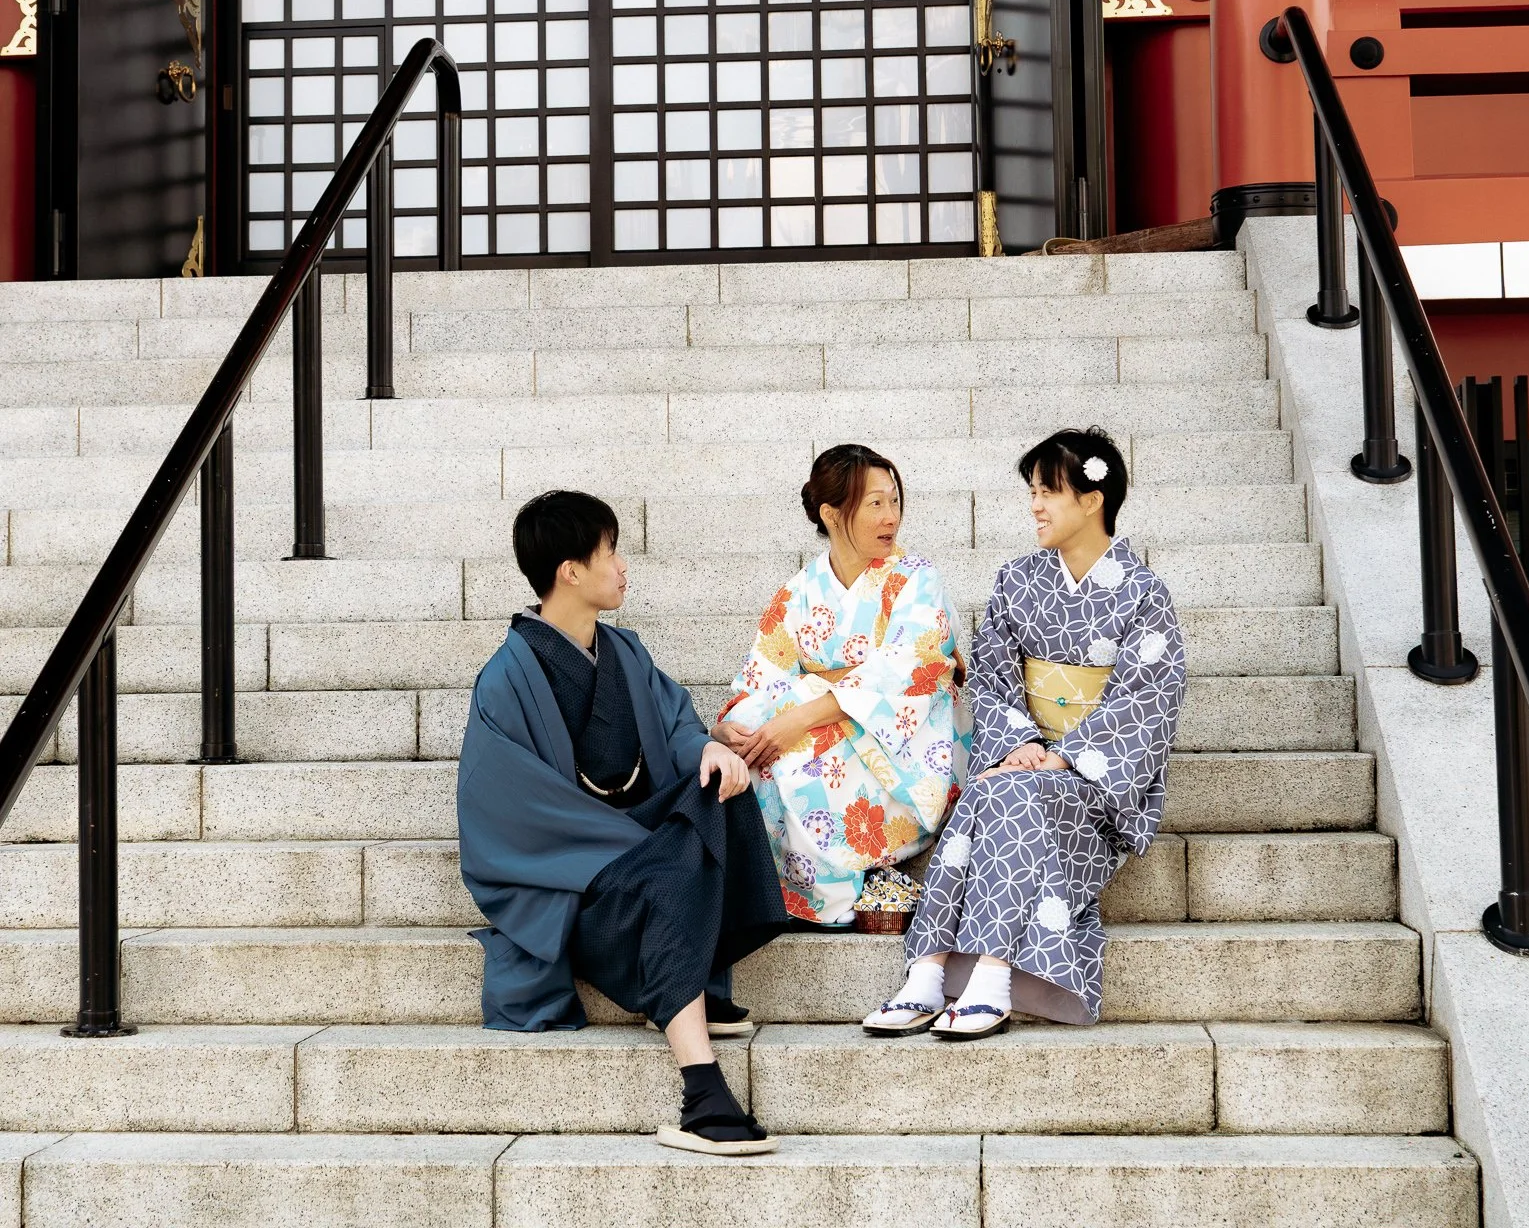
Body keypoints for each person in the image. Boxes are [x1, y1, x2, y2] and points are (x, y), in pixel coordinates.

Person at [457, 490, 792, 1156]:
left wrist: (712, 751)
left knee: (719, 791)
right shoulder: (503, 682)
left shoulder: (627, 653)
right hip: (581, 890)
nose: (621, 566)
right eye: (609, 550)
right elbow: (508, 818)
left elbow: (676, 728)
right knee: (668, 863)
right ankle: (700, 1088)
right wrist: (637, 849)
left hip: (644, 867)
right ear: (568, 571)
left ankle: (679, 978)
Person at [863, 426, 1185, 1039]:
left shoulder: (1145, 594)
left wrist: (1065, 757)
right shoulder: (1016, 581)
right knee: (993, 788)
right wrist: (1020, 745)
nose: (1034, 504)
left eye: (1048, 492)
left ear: (1092, 500)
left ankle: (982, 976)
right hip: (1027, 761)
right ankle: (931, 974)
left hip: (1096, 783)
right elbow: (990, 678)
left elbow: (1149, 700)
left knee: (1005, 793)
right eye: (1032, 490)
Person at [716, 444, 966, 928]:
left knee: (795, 763)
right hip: (820, 732)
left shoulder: (916, 580)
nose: (890, 516)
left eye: (893, 500)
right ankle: (780, 895)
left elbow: (909, 670)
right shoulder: (799, 592)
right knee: (755, 751)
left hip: (906, 749)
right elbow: (761, 677)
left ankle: (824, 899)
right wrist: (731, 729)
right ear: (831, 514)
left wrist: (800, 715)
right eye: (875, 503)